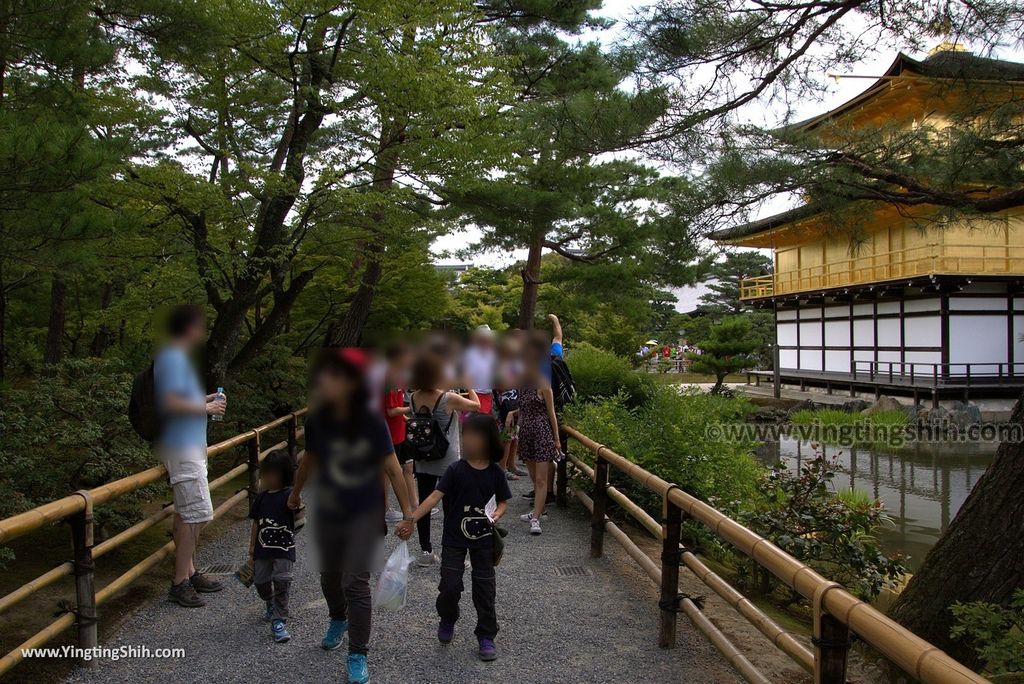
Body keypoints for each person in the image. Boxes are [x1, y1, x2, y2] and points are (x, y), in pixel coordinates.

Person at [288, 348, 413, 684]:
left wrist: (408, 514)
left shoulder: (371, 420)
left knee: (354, 581)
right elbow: (310, 460)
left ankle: (358, 653)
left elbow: (392, 467)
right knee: (329, 575)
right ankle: (337, 617)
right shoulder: (316, 419)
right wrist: (296, 492)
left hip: (364, 510)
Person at [399, 413, 511, 662]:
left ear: (488, 440)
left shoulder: (495, 472)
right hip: (453, 538)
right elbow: (433, 497)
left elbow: (503, 502)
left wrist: (497, 514)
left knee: (485, 589)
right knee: (449, 584)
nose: (468, 440)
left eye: (473, 435)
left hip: (483, 539)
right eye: (465, 435)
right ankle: (448, 617)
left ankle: (486, 635)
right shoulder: (455, 470)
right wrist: (411, 519)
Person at [153, 304, 227, 608]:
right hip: (181, 447)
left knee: (187, 512)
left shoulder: (177, 359)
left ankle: (189, 571)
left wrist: (204, 399)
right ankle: (179, 581)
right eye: (200, 325)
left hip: (189, 446)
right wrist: (206, 408)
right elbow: (168, 404)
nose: (203, 331)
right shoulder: (171, 357)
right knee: (199, 513)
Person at [408, 352, 480, 566]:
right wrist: (469, 384)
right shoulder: (448, 398)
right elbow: (476, 405)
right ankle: (453, 550)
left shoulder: (413, 397)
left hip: (422, 458)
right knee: (452, 506)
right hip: (447, 461)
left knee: (424, 503)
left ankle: (425, 551)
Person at [505, 334, 560, 535]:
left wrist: (556, 439)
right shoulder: (523, 384)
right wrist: (512, 413)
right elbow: (525, 407)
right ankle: (539, 509)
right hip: (526, 431)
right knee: (533, 475)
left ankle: (536, 518)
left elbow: (551, 413)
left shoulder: (543, 384)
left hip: (541, 432)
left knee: (541, 479)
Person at [248, 449, 296, 643]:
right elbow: (255, 523)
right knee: (261, 582)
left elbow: (301, 517)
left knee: (282, 581)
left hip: (284, 550)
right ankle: (270, 601)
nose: (269, 478)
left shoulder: (291, 495)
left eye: (273, 473)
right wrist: (251, 548)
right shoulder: (261, 498)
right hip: (262, 549)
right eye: (266, 473)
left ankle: (279, 620)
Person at [382, 344, 414, 524]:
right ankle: (385, 508)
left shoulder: (397, 376)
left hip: (397, 429)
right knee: (386, 471)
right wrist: (413, 408)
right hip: (390, 431)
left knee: (404, 468)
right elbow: (391, 410)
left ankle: (412, 505)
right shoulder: (390, 378)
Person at [463, 325, 497, 418]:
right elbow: (466, 375)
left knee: (486, 424)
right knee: (474, 423)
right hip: (474, 395)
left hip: (488, 395)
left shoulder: (491, 353)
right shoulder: (470, 353)